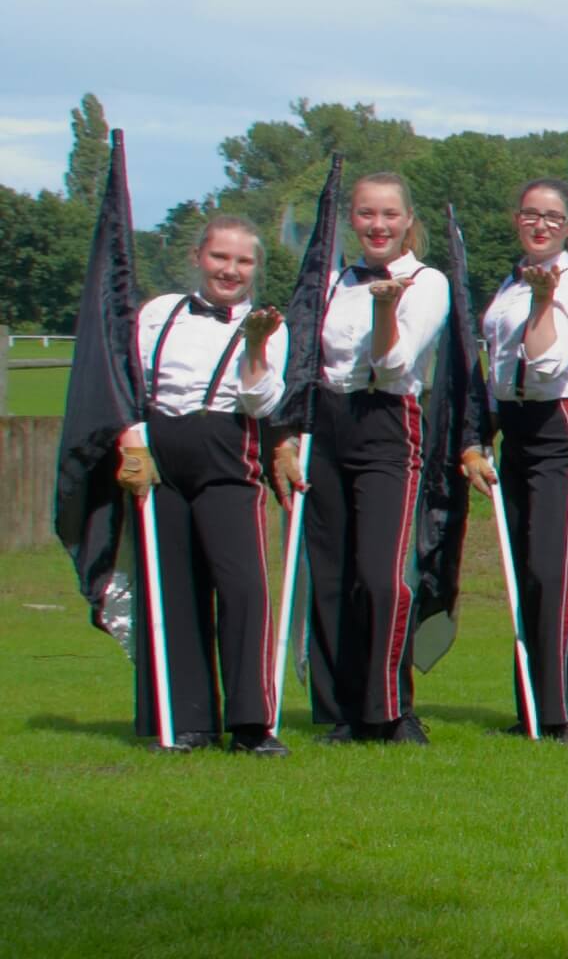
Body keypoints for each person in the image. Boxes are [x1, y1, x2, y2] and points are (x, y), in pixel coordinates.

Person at [117, 217, 291, 753]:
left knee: (243, 589)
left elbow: (261, 404)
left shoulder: (271, 326)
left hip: (226, 455)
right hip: (160, 456)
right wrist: (132, 440)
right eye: (220, 257)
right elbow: (130, 381)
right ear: (198, 256)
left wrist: (256, 347)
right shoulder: (157, 313)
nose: (230, 270)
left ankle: (250, 725)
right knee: (172, 589)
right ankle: (184, 720)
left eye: (243, 262)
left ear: (255, 269)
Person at [302, 171, 455, 744]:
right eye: (367, 214)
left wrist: (385, 310)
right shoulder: (331, 281)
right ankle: (342, 712)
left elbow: (395, 362)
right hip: (330, 421)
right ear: (351, 220)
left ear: (408, 220)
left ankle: (391, 709)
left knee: (381, 575)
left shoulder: (427, 282)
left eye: (389, 214)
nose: (378, 225)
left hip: (389, 421)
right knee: (332, 573)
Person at [464, 181, 568, 742]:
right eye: (530, 215)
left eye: (552, 218)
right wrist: (478, 437)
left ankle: (558, 714)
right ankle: (532, 709)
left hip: (560, 430)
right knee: (525, 577)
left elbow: (545, 363)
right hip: (516, 430)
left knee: (550, 570)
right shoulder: (507, 284)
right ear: (516, 219)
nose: (539, 225)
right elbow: (494, 369)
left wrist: (544, 302)